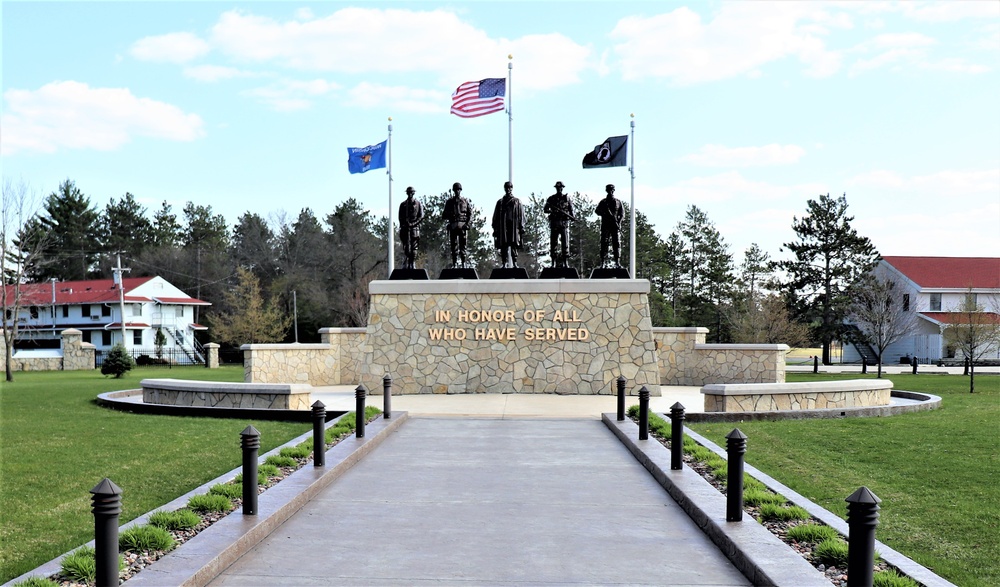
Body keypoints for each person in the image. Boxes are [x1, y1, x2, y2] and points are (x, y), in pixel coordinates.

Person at [491, 181, 524, 268]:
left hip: (513, 226)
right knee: (503, 246)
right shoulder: (500, 202)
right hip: (503, 227)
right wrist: (495, 228)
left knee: (513, 245)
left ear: (512, 188)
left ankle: (515, 263)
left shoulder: (517, 202)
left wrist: (521, 227)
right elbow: (495, 216)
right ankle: (504, 263)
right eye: (507, 187)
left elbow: (521, 216)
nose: (508, 189)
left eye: (510, 187)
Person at [543, 181, 575, 268]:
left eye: (561, 188)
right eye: (558, 188)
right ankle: (553, 262)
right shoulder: (551, 199)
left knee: (565, 243)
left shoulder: (567, 199)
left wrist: (571, 217)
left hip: (564, 223)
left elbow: (571, 211)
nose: (559, 189)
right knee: (553, 243)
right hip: (554, 223)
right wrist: (553, 211)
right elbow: (545, 209)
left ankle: (565, 262)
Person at [443, 182, 472, 268]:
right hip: (453, 225)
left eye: (458, 190)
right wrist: (450, 217)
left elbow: (470, 214)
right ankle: (455, 263)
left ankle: (463, 263)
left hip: (462, 225)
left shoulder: (465, 201)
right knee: (454, 246)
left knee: (463, 246)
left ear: (460, 190)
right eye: (456, 190)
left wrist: (467, 224)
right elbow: (444, 215)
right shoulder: (449, 202)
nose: (457, 191)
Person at [595, 183, 624, 267]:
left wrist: (618, 222)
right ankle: (603, 262)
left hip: (615, 226)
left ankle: (617, 262)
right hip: (605, 225)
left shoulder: (618, 202)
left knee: (616, 244)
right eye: (609, 190)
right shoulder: (603, 202)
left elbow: (622, 214)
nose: (610, 191)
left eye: (612, 190)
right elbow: (597, 211)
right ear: (606, 191)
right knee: (604, 244)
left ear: (613, 191)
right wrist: (604, 213)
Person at [398, 186, 423, 269]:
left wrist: (413, 224)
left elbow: (421, 216)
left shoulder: (418, 204)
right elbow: (400, 217)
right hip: (405, 229)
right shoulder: (403, 204)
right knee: (406, 247)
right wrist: (404, 225)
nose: (410, 194)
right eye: (408, 193)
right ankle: (406, 262)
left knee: (414, 247)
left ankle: (413, 263)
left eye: (411, 192)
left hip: (414, 228)